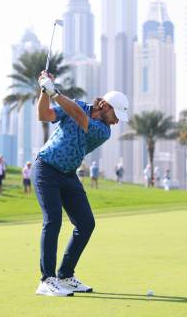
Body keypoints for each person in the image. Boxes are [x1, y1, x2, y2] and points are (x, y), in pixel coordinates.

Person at [33, 71, 128, 296]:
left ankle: (65, 275)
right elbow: (44, 115)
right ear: (104, 105)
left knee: (86, 224)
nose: (117, 122)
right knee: (53, 221)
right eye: (116, 114)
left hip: (68, 175)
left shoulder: (103, 131)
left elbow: (78, 116)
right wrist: (44, 91)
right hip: (46, 168)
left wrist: (53, 90)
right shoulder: (74, 105)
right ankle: (47, 280)